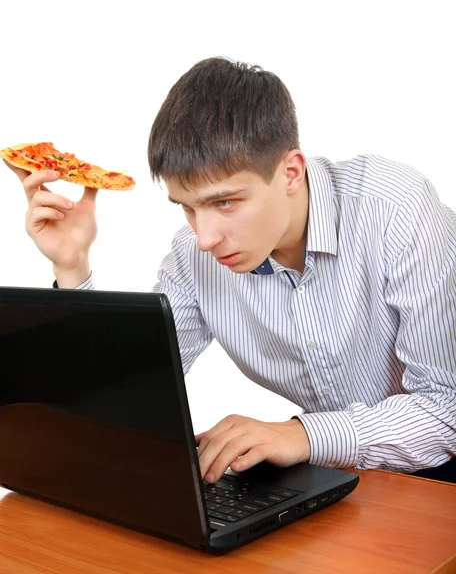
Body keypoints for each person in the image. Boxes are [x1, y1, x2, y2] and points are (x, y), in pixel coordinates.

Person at [5, 57, 456, 484]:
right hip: (352, 482)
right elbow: (114, 392)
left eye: (225, 203)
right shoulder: (193, 256)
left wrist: (302, 434)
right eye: (187, 208)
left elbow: (446, 409)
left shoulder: (397, 212)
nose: (205, 237)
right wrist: (72, 266)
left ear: (291, 173)